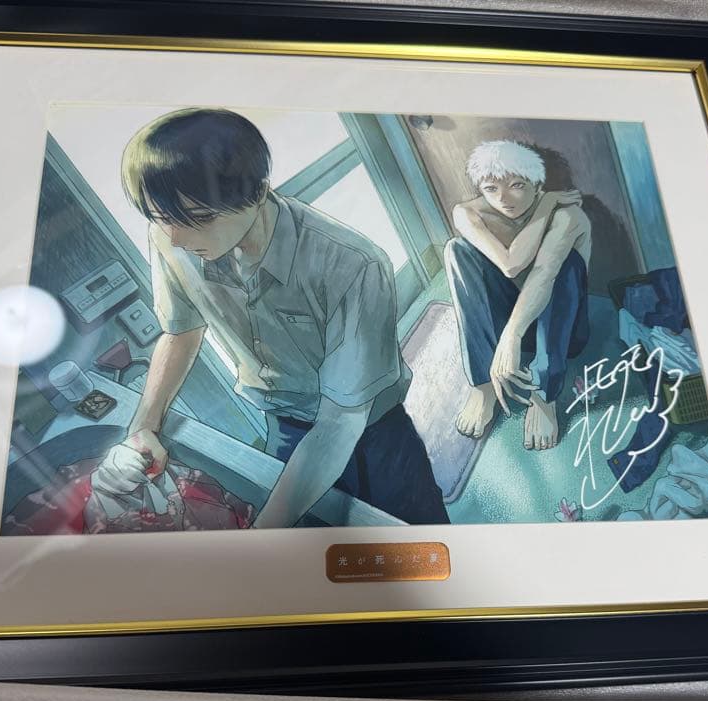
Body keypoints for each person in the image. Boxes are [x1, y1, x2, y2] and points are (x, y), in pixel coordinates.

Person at [93, 108, 449, 528]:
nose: (177, 238)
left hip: (374, 427)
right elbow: (180, 332)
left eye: (200, 218)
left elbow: (341, 420)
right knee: (310, 538)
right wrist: (144, 427)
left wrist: (263, 537)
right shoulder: (172, 236)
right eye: (161, 219)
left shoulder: (352, 263)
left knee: (417, 535)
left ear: (259, 192)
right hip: (283, 421)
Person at [444, 140, 592, 450]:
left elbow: (541, 275)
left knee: (564, 265)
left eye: (516, 186)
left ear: (537, 185)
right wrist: (546, 203)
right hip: (512, 321)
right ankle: (484, 385)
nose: (503, 199)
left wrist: (511, 334)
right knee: (457, 250)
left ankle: (543, 393)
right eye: (491, 189)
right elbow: (511, 264)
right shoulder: (468, 213)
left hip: (562, 330)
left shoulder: (567, 216)